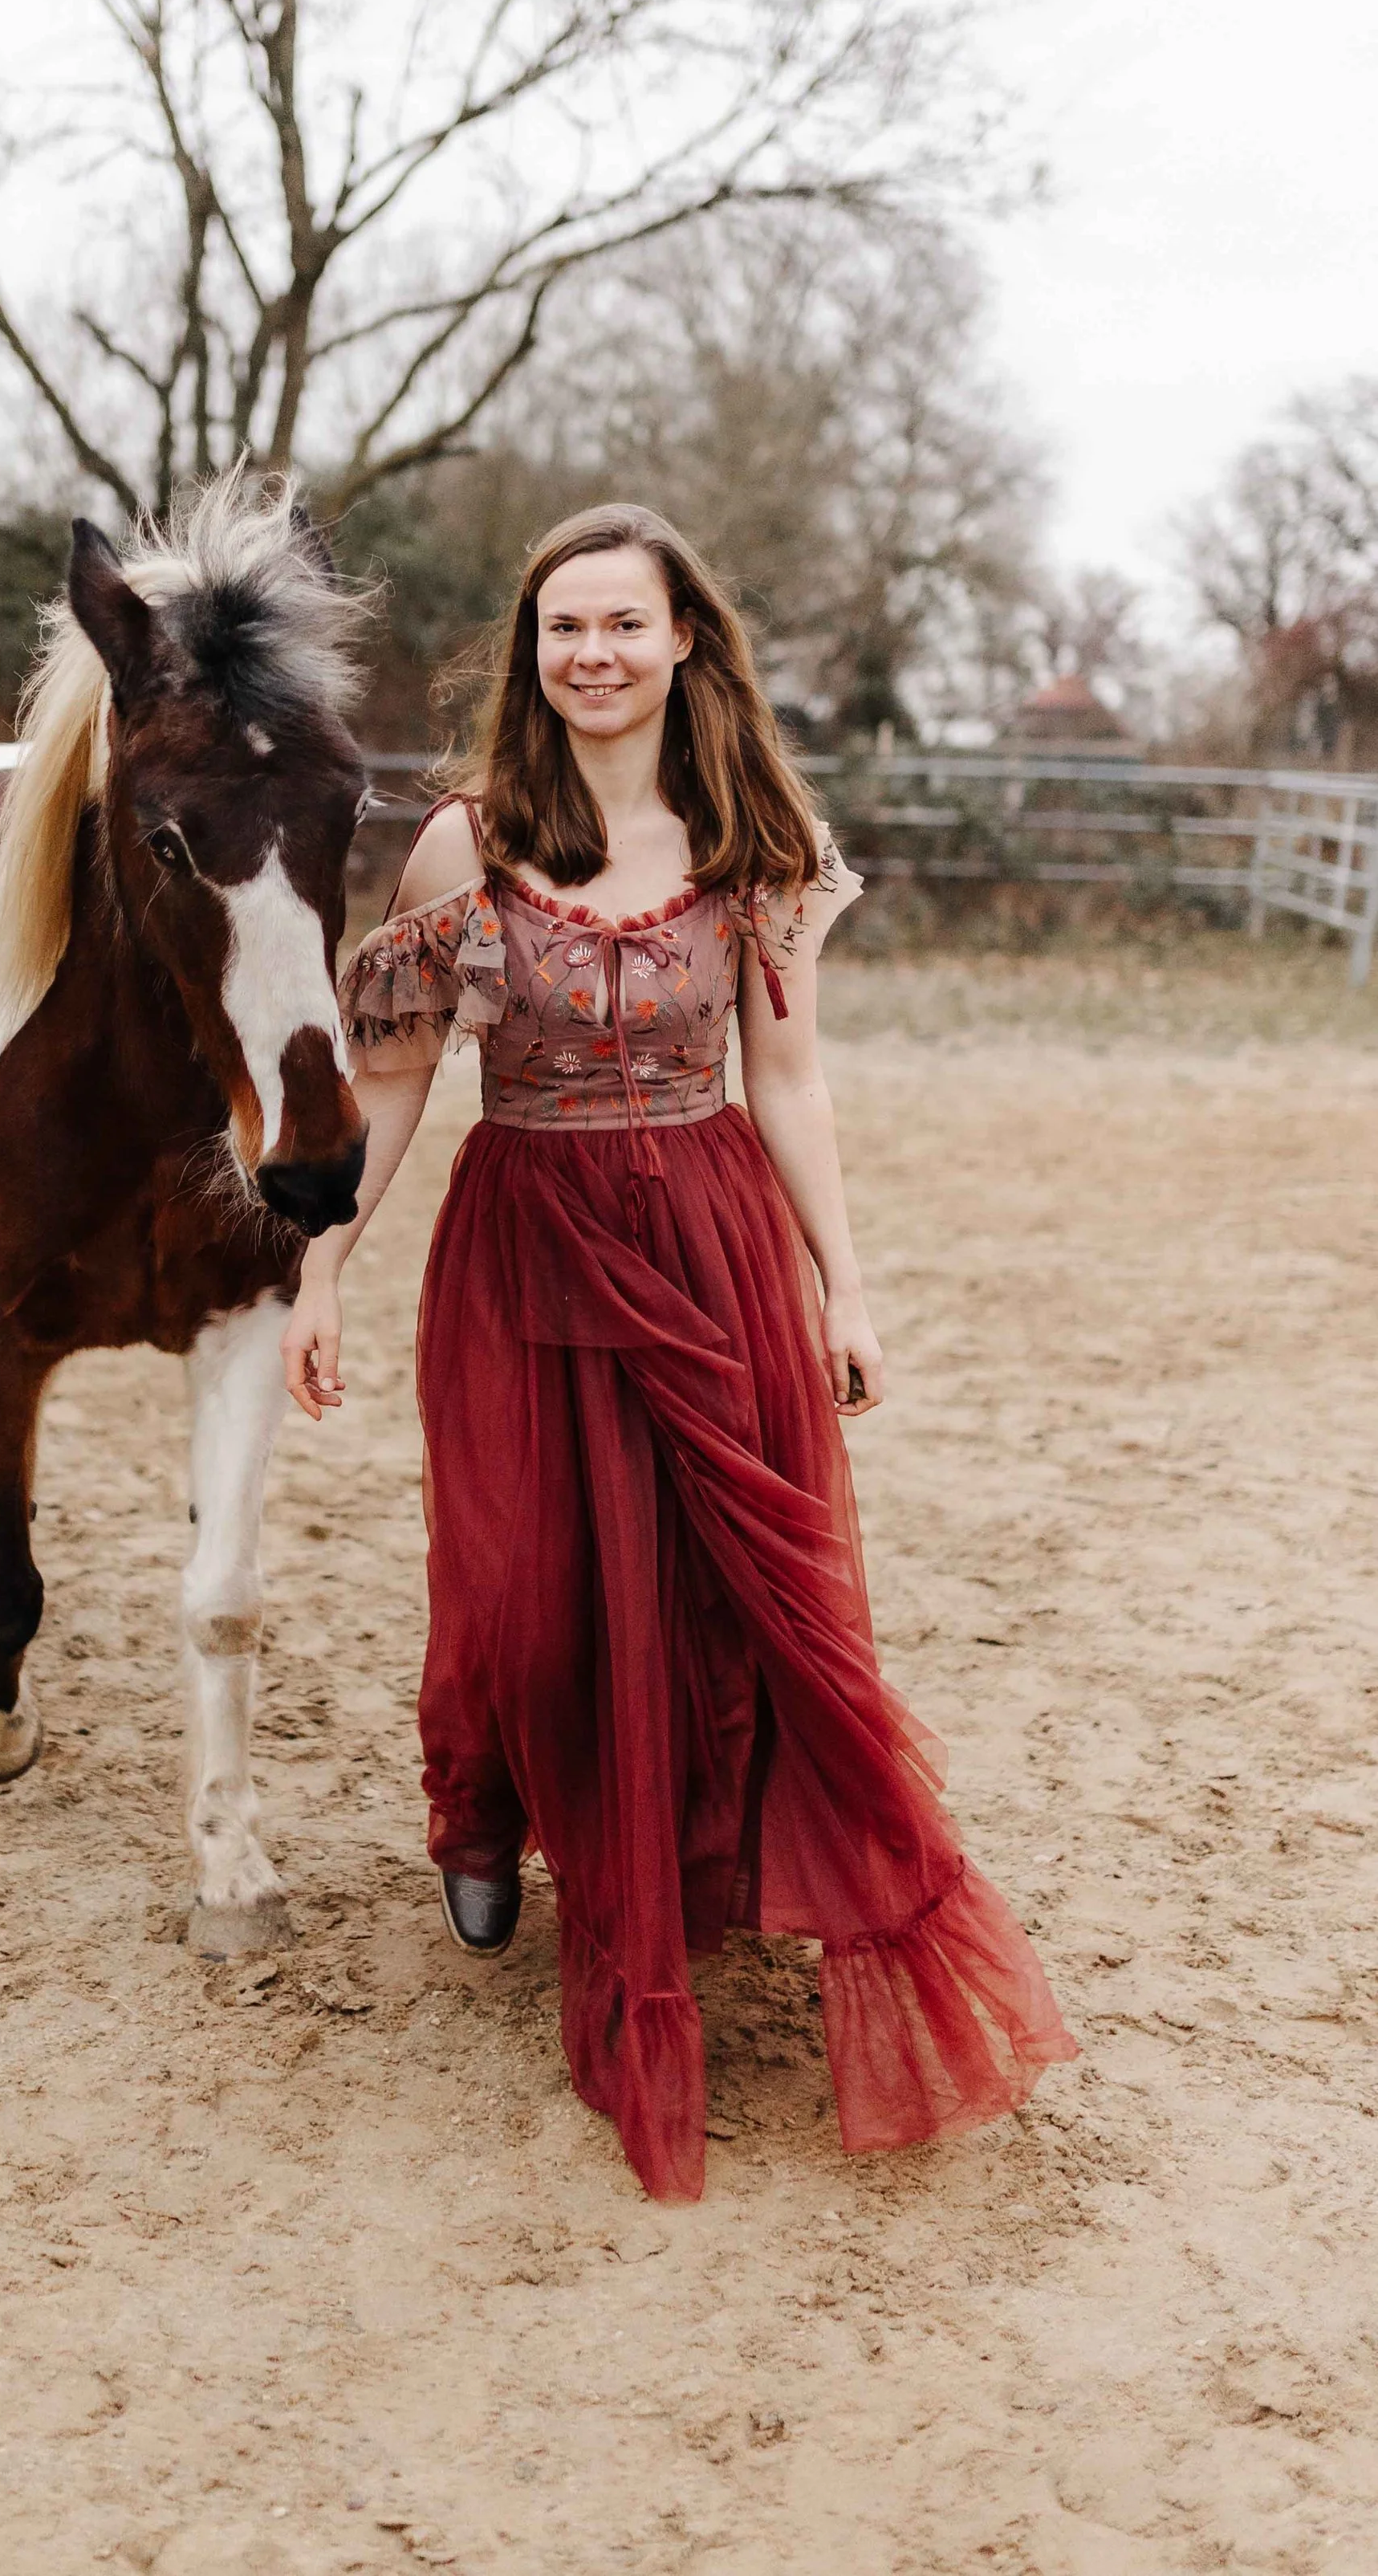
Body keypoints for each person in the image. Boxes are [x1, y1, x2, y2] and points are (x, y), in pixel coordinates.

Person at [280, 502, 1075, 2203]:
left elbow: (787, 1079)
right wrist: (320, 1271)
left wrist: (840, 1286)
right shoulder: (465, 845)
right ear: (530, 651)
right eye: (561, 627)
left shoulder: (754, 842)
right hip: (525, 1241)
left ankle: (692, 1866)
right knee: (528, 1586)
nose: (591, 654)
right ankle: (476, 1810)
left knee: (728, 1587)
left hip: (709, 1244)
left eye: (622, 625)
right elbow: (397, 1082)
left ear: (683, 641)